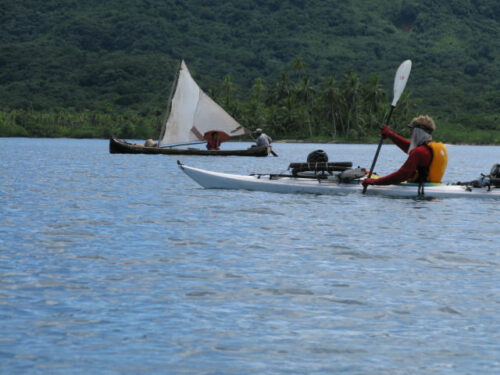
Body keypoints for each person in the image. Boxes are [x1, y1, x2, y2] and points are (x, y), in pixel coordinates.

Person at [362, 115, 448, 190]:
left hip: (419, 189)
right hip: (433, 186)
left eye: (412, 129)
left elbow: (402, 175)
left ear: (418, 132)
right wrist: (390, 134)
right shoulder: (430, 149)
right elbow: (409, 147)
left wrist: (374, 182)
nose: (411, 133)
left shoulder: (419, 152)